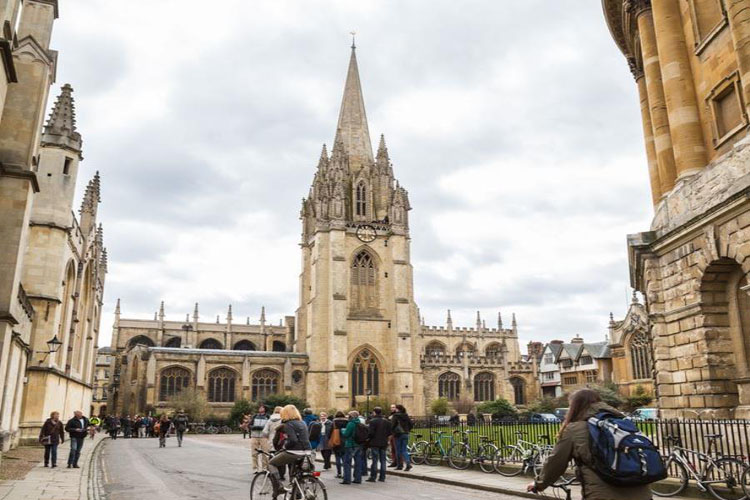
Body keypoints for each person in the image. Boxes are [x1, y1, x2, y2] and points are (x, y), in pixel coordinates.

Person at [527, 389, 652, 500]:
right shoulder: (622, 423)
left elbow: (556, 462)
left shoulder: (574, 429)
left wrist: (539, 484)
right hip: (642, 493)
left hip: (602, 494)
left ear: (575, 407)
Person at [267, 405, 312, 500]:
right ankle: (296, 493)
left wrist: (284, 447)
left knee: (271, 463)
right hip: (307, 451)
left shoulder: (288, 424)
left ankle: (278, 486)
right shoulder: (302, 422)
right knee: (295, 474)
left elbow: (293, 440)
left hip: (294, 451)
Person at [367, 407, 392, 482]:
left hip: (375, 443)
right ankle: (382, 477)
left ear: (374, 412)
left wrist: (368, 438)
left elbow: (371, 433)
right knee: (383, 460)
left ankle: (373, 476)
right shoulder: (386, 421)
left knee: (375, 460)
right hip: (383, 443)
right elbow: (389, 433)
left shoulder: (372, 421)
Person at [340, 410, 364, 485]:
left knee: (347, 462)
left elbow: (346, 434)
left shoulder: (351, 424)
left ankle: (347, 479)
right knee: (358, 462)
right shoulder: (359, 422)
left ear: (351, 416)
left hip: (350, 444)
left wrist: (342, 430)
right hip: (358, 444)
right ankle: (358, 478)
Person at [391, 404, 412, 471]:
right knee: (404, 450)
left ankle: (400, 465)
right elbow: (411, 424)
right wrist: (407, 430)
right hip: (406, 434)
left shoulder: (395, 415)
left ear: (397, 409)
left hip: (398, 434)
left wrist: (392, 432)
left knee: (398, 450)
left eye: (396, 408)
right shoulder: (406, 415)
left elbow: (392, 425)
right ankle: (408, 464)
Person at [250, 405, 271, 472]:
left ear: (265, 409)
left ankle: (264, 468)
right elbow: (250, 425)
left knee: (265, 453)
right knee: (254, 453)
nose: (260, 408)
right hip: (255, 436)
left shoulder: (268, 417)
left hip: (264, 437)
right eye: (260, 407)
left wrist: (262, 428)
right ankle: (255, 468)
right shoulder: (255, 416)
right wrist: (253, 427)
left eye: (262, 407)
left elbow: (269, 426)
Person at [331, 411, 347, 478]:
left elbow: (330, 431)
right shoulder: (347, 421)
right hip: (344, 441)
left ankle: (339, 473)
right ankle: (345, 473)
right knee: (344, 458)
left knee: (337, 457)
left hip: (336, 440)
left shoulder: (334, 422)